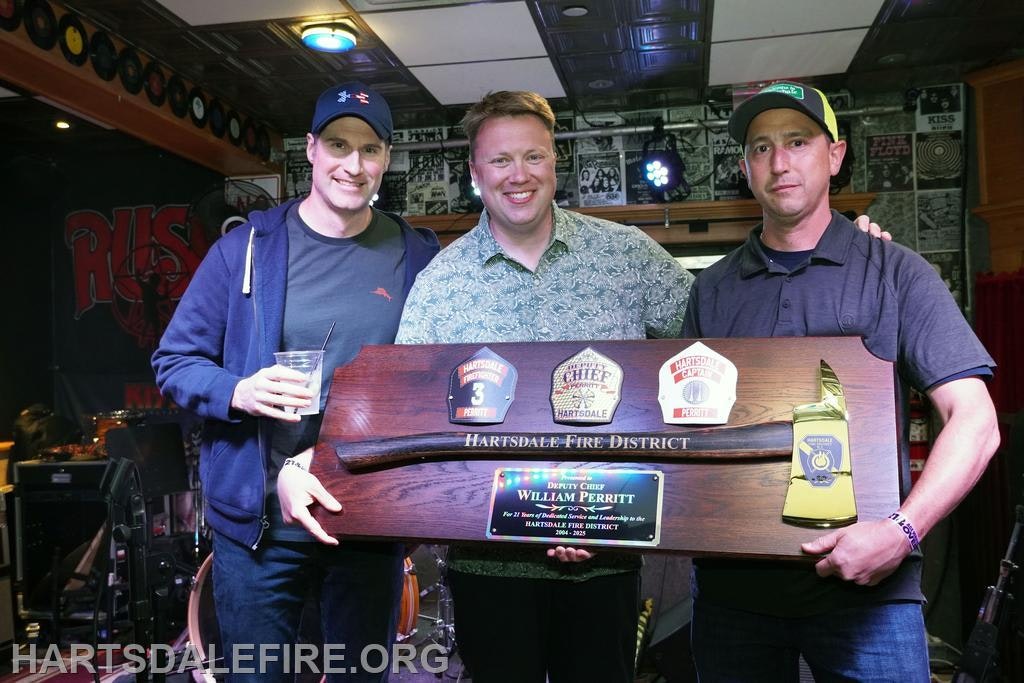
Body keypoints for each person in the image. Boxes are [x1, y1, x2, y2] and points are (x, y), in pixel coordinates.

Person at [682, 80, 1000, 682]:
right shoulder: (712, 290)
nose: (779, 162)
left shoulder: (897, 272)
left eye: (798, 141)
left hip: (870, 600)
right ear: (746, 167)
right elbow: (687, 432)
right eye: (760, 147)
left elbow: (976, 423)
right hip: (731, 599)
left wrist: (901, 533)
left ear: (835, 154)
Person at [394, 90, 694, 683]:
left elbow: (714, 342)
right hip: (486, 566)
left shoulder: (627, 256)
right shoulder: (439, 285)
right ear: (475, 174)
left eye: (533, 156)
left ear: (556, 161)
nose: (518, 176)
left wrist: (832, 247)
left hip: (606, 554)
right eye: (500, 161)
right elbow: (413, 417)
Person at [152, 81, 439, 681]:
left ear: (386, 158)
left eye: (369, 149)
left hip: (363, 519)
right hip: (258, 530)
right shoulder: (245, 249)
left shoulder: (416, 255)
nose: (352, 165)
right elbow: (174, 361)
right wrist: (239, 391)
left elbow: (429, 384)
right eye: (338, 144)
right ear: (309, 149)